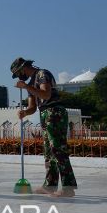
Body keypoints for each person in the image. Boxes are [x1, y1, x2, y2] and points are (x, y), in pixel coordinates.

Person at [11, 57, 77, 197]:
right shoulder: (30, 83)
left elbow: (46, 94)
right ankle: (50, 185)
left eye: (18, 73)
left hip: (54, 112)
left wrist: (27, 87)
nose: (18, 76)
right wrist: (25, 112)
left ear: (23, 68)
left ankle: (68, 187)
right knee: (49, 152)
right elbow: (32, 107)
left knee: (58, 149)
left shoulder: (42, 74)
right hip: (45, 113)